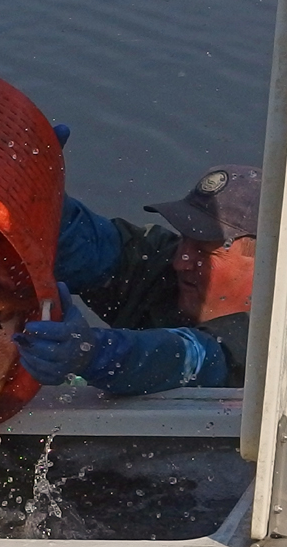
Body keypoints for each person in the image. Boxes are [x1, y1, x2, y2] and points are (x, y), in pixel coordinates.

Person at [14, 164, 261, 395]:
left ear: (269, 266)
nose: (180, 262)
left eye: (206, 251)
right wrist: (32, 186)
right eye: (184, 238)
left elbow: (190, 357)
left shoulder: (278, 337)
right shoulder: (161, 265)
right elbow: (85, 244)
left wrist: (94, 353)